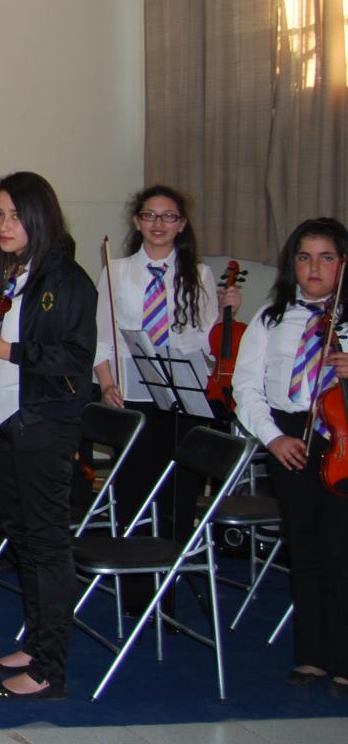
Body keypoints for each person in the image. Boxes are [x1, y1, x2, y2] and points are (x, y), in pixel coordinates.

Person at [0, 171, 97, 701]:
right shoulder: (14, 276)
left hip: (45, 425)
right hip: (7, 421)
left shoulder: (67, 279)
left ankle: (49, 670)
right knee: (22, 538)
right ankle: (36, 643)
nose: (4, 225)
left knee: (47, 543)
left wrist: (4, 351)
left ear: (40, 217)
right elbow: (0, 352)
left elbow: (75, 364)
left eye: (15, 215)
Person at [91, 185, 235, 615]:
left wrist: (228, 314)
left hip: (184, 400)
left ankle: (165, 597)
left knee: (178, 500)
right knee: (134, 494)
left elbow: (212, 347)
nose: (158, 224)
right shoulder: (114, 272)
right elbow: (101, 338)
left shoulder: (201, 276)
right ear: (137, 222)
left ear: (182, 225)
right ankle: (136, 596)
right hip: (134, 397)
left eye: (168, 217)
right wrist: (105, 383)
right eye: (150, 216)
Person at [228, 217, 348, 695]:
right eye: (304, 257)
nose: (314, 268)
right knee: (304, 548)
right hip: (290, 437)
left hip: (342, 439)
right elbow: (245, 387)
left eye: (326, 258)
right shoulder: (271, 317)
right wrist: (273, 438)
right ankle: (312, 655)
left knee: (341, 551)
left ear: (342, 264)